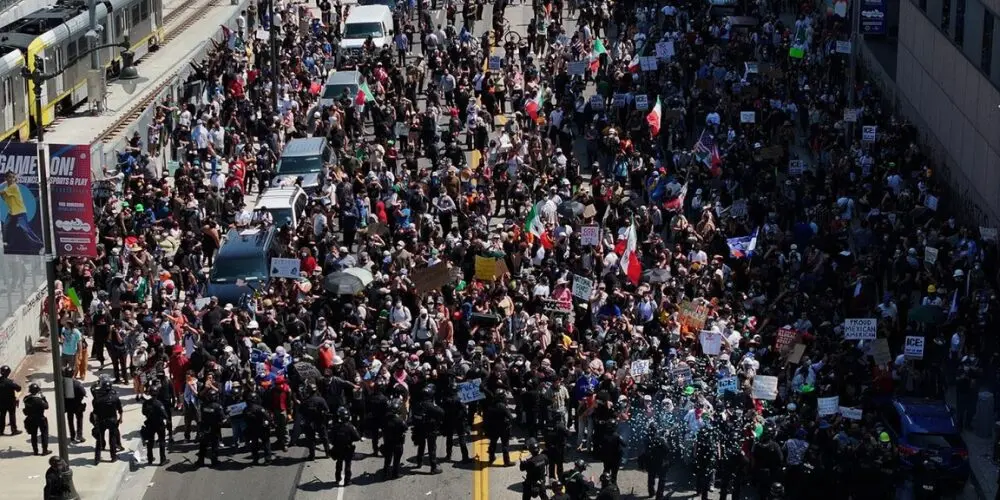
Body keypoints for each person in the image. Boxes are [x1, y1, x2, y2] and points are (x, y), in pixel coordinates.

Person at [412, 383, 445, 473]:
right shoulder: (430, 405)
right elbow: (441, 412)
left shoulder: (417, 404)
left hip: (419, 429)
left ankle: (419, 461)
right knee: (432, 448)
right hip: (430, 429)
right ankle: (433, 467)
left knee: (421, 446)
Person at [91, 375, 123, 463]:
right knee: (112, 439)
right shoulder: (115, 397)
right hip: (112, 420)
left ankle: (97, 458)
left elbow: (95, 413)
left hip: (101, 421)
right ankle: (113, 457)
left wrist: (95, 423)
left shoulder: (99, 399)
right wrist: (120, 418)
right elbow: (120, 409)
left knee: (99, 440)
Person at [329, 406, 362, 484]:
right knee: (348, 464)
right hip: (347, 449)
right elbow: (357, 437)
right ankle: (347, 481)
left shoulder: (335, 427)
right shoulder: (350, 427)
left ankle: (337, 478)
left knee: (339, 463)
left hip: (338, 448)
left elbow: (330, 438)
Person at [300, 383, 332, 460]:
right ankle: (327, 453)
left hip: (309, 423)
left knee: (311, 440)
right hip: (320, 422)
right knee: (324, 438)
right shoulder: (321, 400)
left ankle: (312, 456)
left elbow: (301, 411)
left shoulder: (306, 401)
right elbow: (327, 410)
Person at [441, 379, 470, 462]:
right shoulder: (460, 399)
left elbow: (443, 409)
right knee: (461, 438)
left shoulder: (446, 398)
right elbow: (465, 411)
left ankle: (448, 455)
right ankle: (465, 457)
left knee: (449, 438)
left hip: (449, 420)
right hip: (459, 421)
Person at [141, 381, 169, 465]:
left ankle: (150, 458)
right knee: (162, 442)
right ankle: (162, 459)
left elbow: (143, 412)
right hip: (159, 424)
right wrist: (167, 420)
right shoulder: (159, 403)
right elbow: (165, 414)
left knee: (150, 442)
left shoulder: (146, 403)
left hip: (150, 424)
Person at [195, 388, 224, 467]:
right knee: (214, 445)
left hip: (205, 428)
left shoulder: (203, 405)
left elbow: (200, 416)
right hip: (215, 428)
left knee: (203, 446)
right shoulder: (218, 407)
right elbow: (222, 418)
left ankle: (201, 461)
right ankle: (214, 461)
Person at [485, 390, 514, 466]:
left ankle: (491, 458)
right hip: (504, 428)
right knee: (505, 444)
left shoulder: (491, 405)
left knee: (492, 443)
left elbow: (487, 417)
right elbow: (510, 417)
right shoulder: (503, 406)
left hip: (493, 428)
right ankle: (506, 462)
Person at [244, 391, 273, 465]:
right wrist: (269, 423)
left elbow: (245, 420)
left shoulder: (246, 409)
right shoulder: (259, 408)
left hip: (252, 429)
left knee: (254, 445)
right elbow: (268, 417)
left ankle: (255, 459)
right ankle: (268, 459)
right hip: (262, 428)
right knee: (266, 443)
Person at [381, 397, 407, 478]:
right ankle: (395, 474)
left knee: (387, 459)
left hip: (387, 441)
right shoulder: (399, 420)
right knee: (396, 460)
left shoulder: (385, 418)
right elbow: (405, 428)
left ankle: (385, 472)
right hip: (397, 443)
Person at [645, 422, 671, 499]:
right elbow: (667, 449)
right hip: (661, 462)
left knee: (651, 477)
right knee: (662, 479)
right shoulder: (660, 439)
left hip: (650, 460)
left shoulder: (646, 438)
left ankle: (651, 492)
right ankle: (659, 496)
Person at [23, 382, 49, 455]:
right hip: (40, 418)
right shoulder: (39, 400)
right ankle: (44, 450)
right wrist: (43, 397)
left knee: (33, 435)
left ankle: (35, 450)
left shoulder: (26, 399)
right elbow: (46, 406)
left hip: (31, 418)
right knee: (44, 434)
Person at [62, 368, 86, 443]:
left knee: (70, 420)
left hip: (68, 405)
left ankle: (72, 435)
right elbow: (83, 392)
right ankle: (79, 435)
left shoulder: (63, 384)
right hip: (77, 405)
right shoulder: (77, 384)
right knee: (79, 420)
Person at [0, 364, 21, 435]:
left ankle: (0, 431)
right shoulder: (10, 382)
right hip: (10, 402)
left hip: (1, 402)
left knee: (2, 416)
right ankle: (14, 430)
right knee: (12, 415)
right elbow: (18, 388)